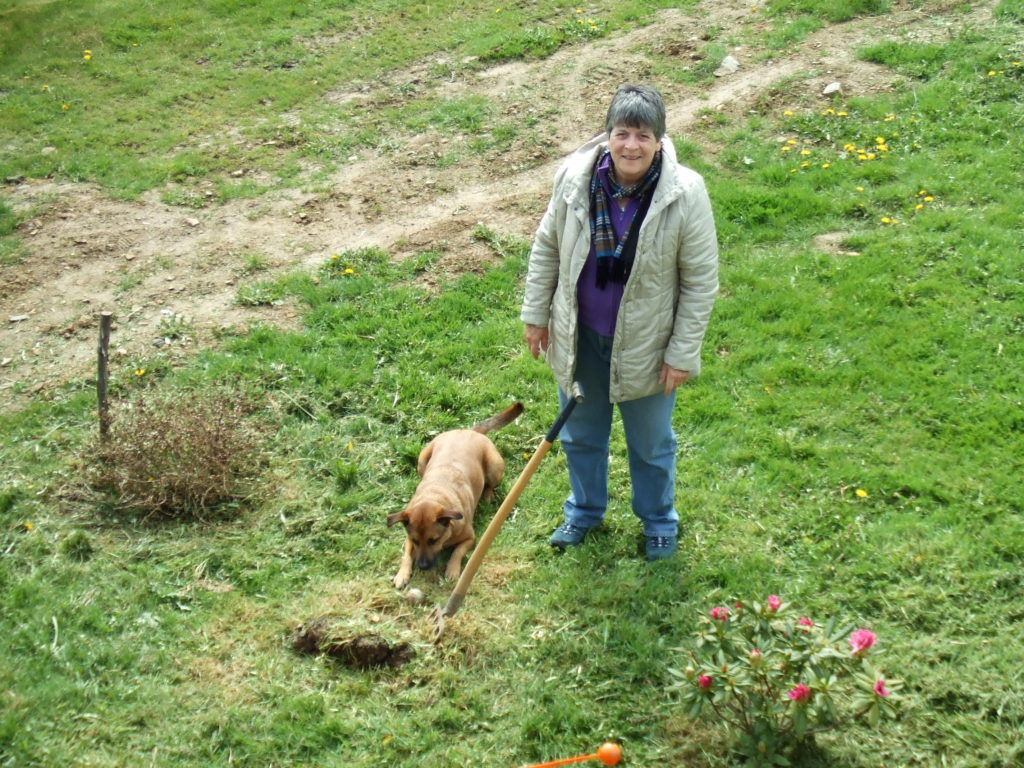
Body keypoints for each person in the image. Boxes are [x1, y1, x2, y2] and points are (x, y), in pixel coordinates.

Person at [521, 83, 719, 561]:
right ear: (608, 134)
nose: (631, 146)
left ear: (660, 141)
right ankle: (584, 511)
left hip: (648, 346)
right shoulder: (573, 178)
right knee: (580, 434)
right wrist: (535, 314)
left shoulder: (684, 193)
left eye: (643, 136)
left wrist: (681, 352)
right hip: (579, 336)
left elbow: (700, 282)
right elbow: (547, 246)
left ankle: (658, 523)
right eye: (622, 133)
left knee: (651, 446)